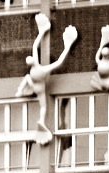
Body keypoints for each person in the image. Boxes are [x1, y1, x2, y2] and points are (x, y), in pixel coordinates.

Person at [16, 12, 78, 145]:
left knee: (40, 101)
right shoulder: (41, 68)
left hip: (37, 87)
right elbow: (56, 61)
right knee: (42, 104)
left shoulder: (39, 68)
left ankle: (41, 119)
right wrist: (43, 31)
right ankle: (39, 117)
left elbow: (37, 48)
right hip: (36, 87)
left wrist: (43, 32)